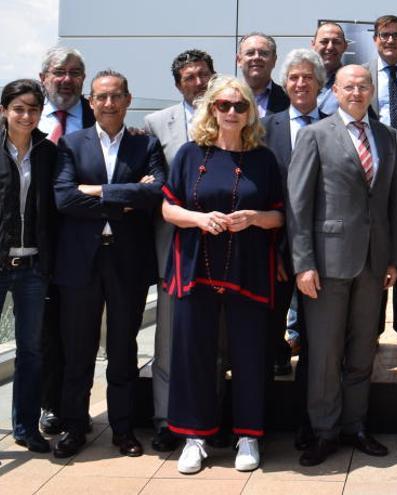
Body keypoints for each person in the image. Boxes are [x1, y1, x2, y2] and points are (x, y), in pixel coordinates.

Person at [162, 74, 283, 474]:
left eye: (240, 105)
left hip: (247, 268)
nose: (232, 112)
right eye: (224, 105)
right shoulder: (189, 153)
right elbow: (168, 208)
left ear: (251, 111)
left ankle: (248, 436)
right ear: (211, 108)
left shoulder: (263, 158)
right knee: (192, 353)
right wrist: (198, 217)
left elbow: (279, 216)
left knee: (250, 353)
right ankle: (194, 438)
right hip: (197, 265)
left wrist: (253, 217)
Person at [288, 64, 397, 467]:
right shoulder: (314, 135)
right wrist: (303, 263)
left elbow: (391, 205)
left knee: (361, 352)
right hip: (327, 263)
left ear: (372, 91)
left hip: (373, 264)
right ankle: (324, 431)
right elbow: (298, 206)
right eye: (348, 86)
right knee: (323, 354)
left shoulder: (388, 138)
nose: (356, 91)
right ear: (334, 91)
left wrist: (393, 258)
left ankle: (355, 426)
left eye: (363, 85)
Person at [52, 69, 166, 459]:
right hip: (80, 263)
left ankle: (122, 429)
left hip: (126, 262)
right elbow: (65, 199)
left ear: (128, 100)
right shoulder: (70, 144)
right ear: (91, 101)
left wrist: (99, 191)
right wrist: (125, 198)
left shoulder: (145, 144)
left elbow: (156, 193)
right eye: (101, 97)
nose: (109, 103)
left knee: (122, 349)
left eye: (116, 96)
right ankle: (73, 427)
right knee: (78, 351)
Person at [143, 48, 215, 453]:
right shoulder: (155, 123)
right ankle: (166, 418)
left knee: (213, 338)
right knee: (170, 338)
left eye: (203, 74)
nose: (198, 82)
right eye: (189, 77)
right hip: (174, 243)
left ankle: (209, 418)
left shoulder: (231, 114)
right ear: (178, 84)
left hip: (221, 241)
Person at [262, 47, 328, 449]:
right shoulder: (263, 128)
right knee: (267, 340)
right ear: (284, 84)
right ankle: (261, 422)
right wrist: (280, 248)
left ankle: (309, 423)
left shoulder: (336, 126)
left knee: (314, 340)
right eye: (294, 78)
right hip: (272, 253)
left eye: (308, 78)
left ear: (320, 85)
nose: (300, 84)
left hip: (321, 255)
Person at [36, 46, 96, 436]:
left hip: (84, 243)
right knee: (42, 332)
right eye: (59, 71)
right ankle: (46, 405)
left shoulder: (98, 118)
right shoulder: (20, 118)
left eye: (75, 73)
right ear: (44, 78)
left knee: (79, 334)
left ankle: (76, 408)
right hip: (34, 243)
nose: (67, 79)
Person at [0, 79, 57, 454]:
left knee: (32, 350)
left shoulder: (48, 152)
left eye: (33, 109)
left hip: (34, 265)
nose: (26, 115)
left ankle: (25, 426)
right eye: (19, 108)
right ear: (4, 110)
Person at [236, 32, 288, 117]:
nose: (256, 57)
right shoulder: (223, 99)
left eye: (264, 53)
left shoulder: (289, 99)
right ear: (238, 60)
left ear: (274, 60)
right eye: (250, 53)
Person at [311, 21, 348, 115]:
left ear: (345, 46)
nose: (330, 47)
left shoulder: (353, 83)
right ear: (313, 45)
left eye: (336, 42)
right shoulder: (299, 81)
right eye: (324, 42)